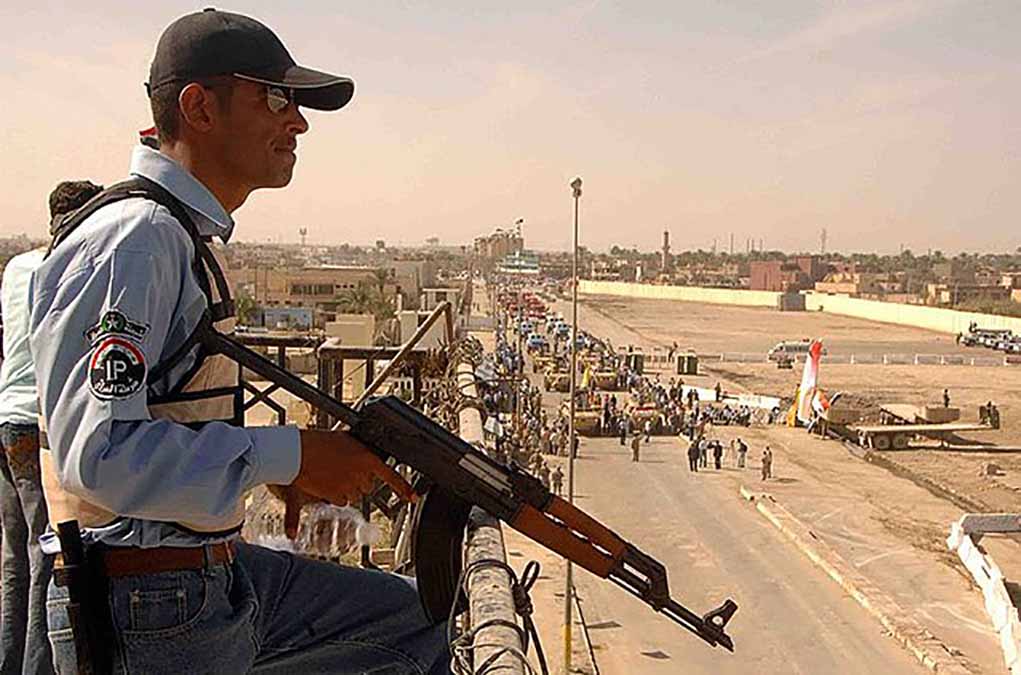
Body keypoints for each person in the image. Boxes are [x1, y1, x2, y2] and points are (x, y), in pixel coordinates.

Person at [33, 10, 448, 674]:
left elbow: (171, 410)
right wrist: (284, 455)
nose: (298, 122)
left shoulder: (177, 235)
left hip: (198, 572)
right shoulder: (136, 239)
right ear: (199, 106)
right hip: (149, 599)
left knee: (414, 617)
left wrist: (264, 477)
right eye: (278, 97)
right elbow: (99, 455)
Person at [0, 182, 102, 675]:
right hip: (37, 427)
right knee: (49, 557)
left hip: (5, 417)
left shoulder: (18, 267)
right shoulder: (68, 270)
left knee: (14, 558)